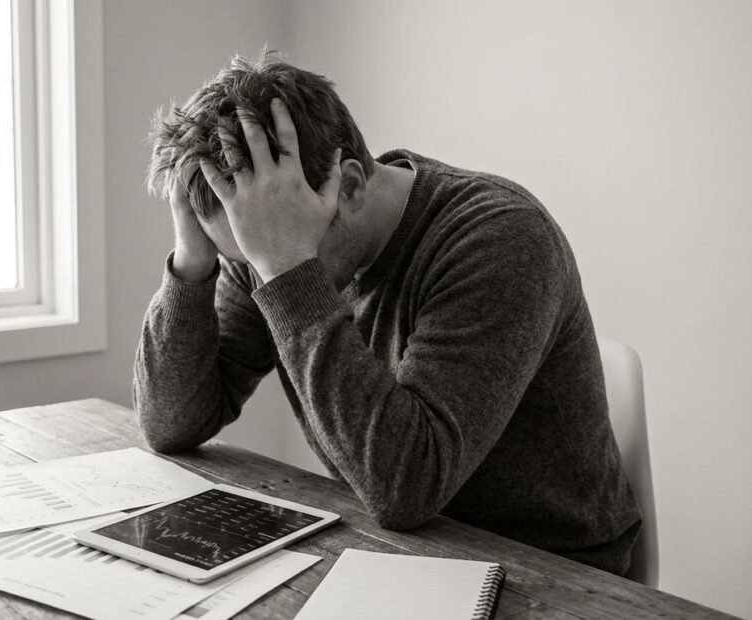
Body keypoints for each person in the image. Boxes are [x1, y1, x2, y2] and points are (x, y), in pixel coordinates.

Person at [133, 52, 643, 576]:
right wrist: (193, 264)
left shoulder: (502, 238)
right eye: (247, 258)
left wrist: (286, 267)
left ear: (349, 186)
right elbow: (172, 423)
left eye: (269, 255)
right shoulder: (263, 241)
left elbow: (407, 485)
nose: (260, 274)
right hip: (392, 549)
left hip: (553, 571)